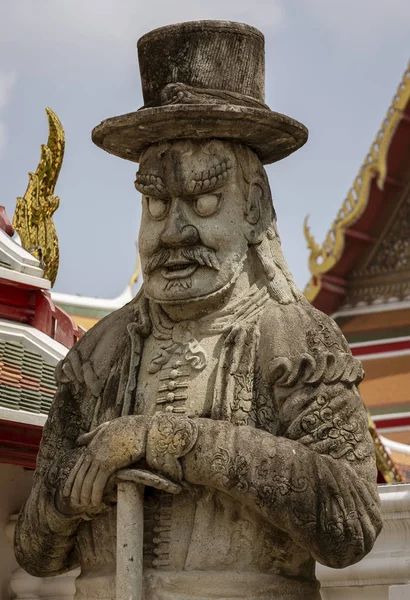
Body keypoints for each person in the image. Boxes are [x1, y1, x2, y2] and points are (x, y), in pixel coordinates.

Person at [15, 21, 382, 600]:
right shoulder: (97, 355)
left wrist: (168, 441)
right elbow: (34, 553)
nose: (176, 232)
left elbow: (352, 524)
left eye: (206, 199)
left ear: (254, 206)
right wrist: (72, 491)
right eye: (157, 203)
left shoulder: (295, 340)